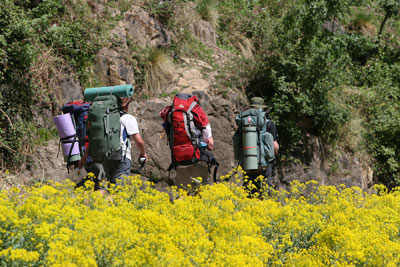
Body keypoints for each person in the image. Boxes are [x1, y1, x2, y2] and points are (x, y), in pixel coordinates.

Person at [79, 96, 148, 187]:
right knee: (119, 191)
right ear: (126, 105)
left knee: (102, 186)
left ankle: (96, 200)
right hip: (121, 158)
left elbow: (92, 140)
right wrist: (143, 153)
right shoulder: (127, 118)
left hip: (102, 157)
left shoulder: (103, 118)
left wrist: (84, 158)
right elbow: (139, 141)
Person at [160, 93, 217, 190]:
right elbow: (210, 144)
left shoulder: (170, 112)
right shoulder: (197, 111)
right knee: (200, 192)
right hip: (196, 158)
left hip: (178, 160)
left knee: (183, 193)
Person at [241, 97, 279, 193]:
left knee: (249, 192)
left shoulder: (243, 123)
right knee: (265, 192)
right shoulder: (269, 123)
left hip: (247, 163)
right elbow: (275, 146)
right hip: (264, 165)